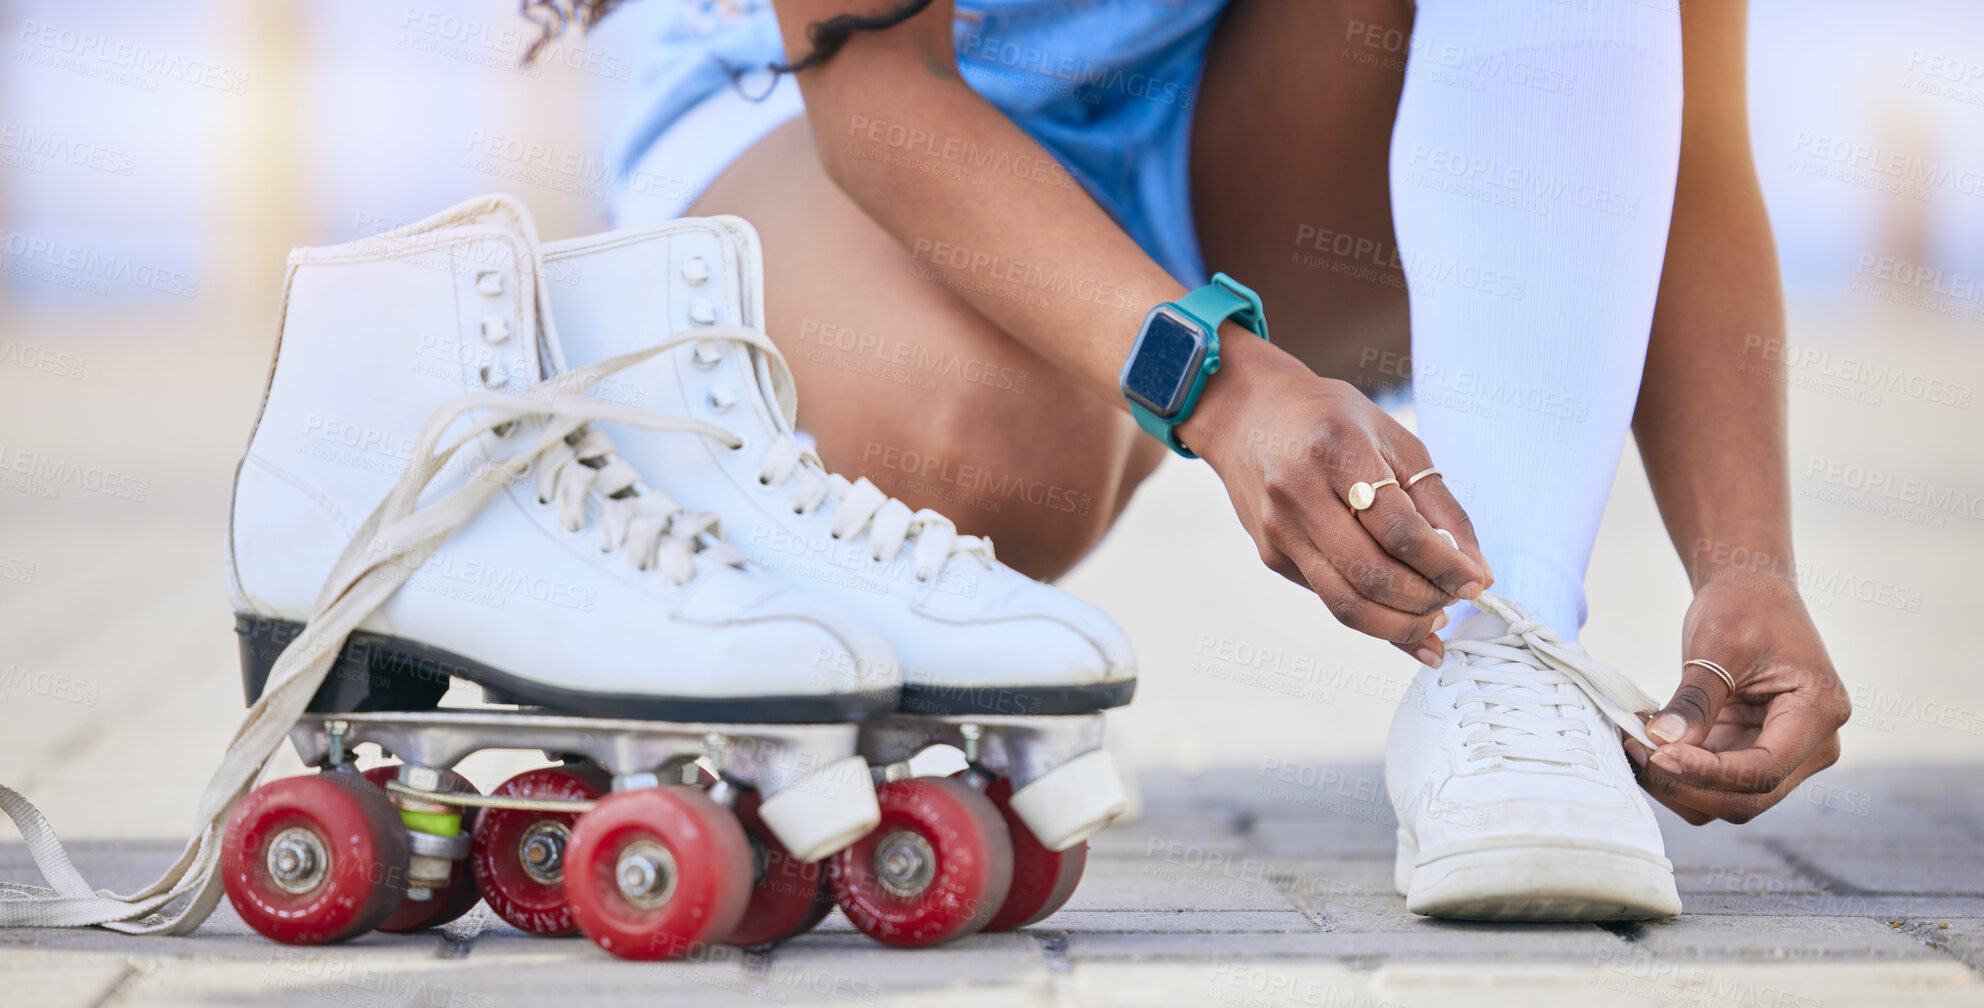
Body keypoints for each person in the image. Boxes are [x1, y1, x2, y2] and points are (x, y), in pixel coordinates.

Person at [527, 0, 1850, 917]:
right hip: (845, 121)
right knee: (993, 446)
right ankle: (639, 423)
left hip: (1238, 116)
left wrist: (1744, 560)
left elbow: (1683, 136)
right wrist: (1209, 380)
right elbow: (877, 82)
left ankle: (1508, 668)